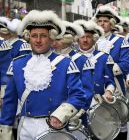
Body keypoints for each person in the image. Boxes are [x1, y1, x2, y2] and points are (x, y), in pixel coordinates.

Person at [0, 10, 89, 140]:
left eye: (43, 36)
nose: (38, 40)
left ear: (52, 39)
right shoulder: (17, 64)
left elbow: (79, 95)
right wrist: (5, 131)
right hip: (25, 127)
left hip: (53, 125)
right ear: (28, 37)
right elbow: (9, 102)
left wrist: (60, 115)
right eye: (34, 35)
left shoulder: (66, 63)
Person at [94, 5, 129, 140]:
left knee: (119, 121)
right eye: (99, 21)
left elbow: (126, 65)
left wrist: (105, 69)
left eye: (105, 21)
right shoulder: (92, 41)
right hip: (95, 88)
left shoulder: (120, 41)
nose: (102, 23)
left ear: (112, 23)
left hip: (115, 86)